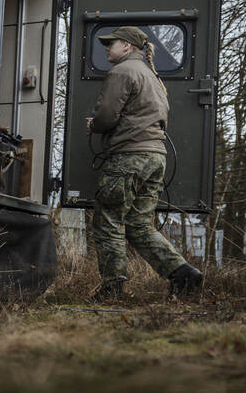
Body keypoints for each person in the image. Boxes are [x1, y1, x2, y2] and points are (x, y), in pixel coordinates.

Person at [86, 26, 203, 300]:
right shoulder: (152, 76)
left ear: (127, 46)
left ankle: (112, 289)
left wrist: (95, 125)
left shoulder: (122, 72)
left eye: (112, 43)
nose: (107, 48)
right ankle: (183, 273)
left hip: (129, 158)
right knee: (138, 224)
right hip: (155, 158)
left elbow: (107, 115)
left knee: (108, 221)